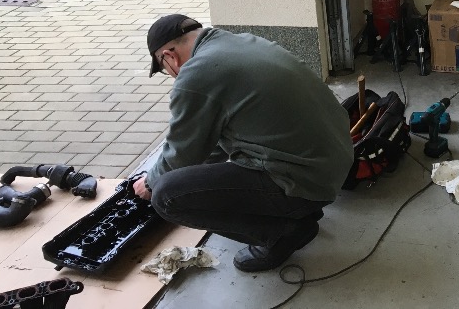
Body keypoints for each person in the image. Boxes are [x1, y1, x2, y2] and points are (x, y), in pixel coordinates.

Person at [133, 14, 353, 272]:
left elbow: (180, 153)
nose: (170, 75)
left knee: (165, 196)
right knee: (187, 179)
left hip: (305, 181)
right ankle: (300, 209)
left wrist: (150, 182)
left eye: (163, 69)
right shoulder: (239, 43)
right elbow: (208, 140)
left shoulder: (197, 74)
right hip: (332, 164)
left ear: (169, 56)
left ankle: (282, 233)